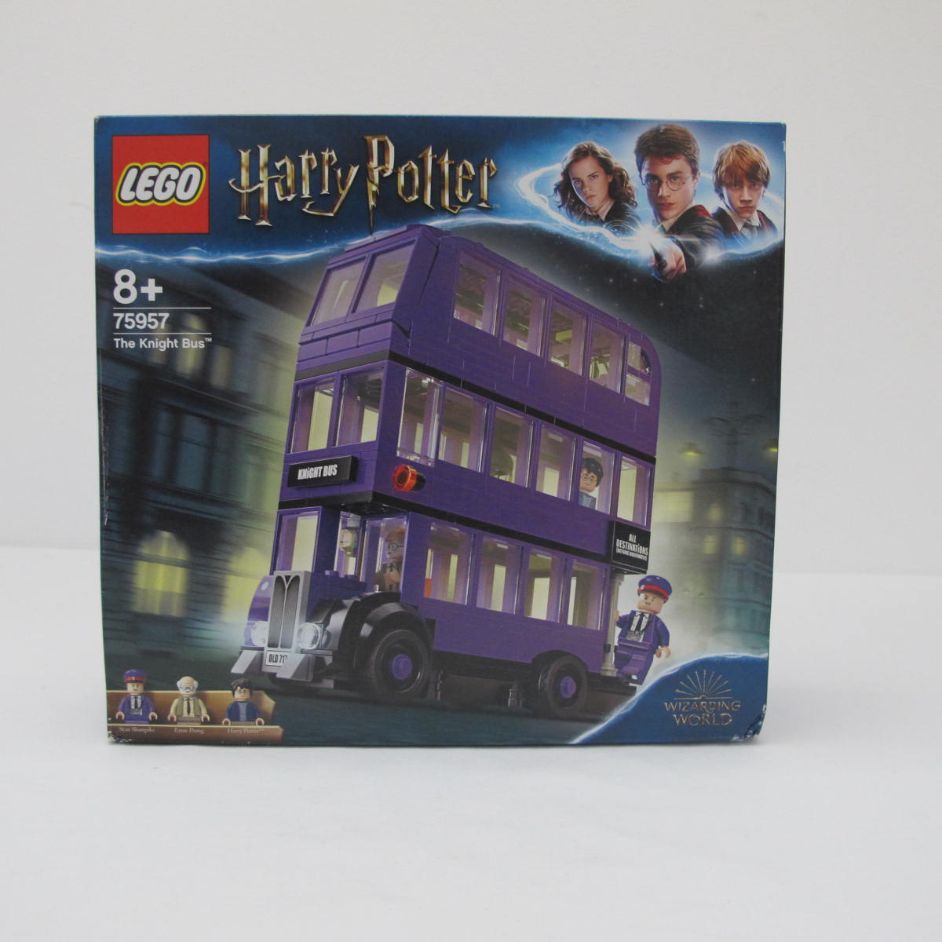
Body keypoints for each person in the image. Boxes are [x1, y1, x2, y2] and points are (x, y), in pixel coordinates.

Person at [634, 124, 723, 280]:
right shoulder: (655, 228)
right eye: (652, 180)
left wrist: (673, 249)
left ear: (695, 178)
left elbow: (703, 240)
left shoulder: (707, 226)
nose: (663, 193)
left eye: (675, 179)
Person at [554, 141, 638, 234]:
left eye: (593, 177)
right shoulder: (582, 218)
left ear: (609, 175)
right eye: (577, 181)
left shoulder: (626, 222)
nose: (585, 188)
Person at [711, 141, 778, 246]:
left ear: (764, 188)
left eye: (754, 185)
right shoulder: (709, 231)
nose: (746, 197)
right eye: (735, 185)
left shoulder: (768, 226)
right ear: (720, 188)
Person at [615, 575, 672, 683]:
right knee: (621, 661)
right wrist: (616, 618)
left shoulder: (657, 622)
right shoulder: (631, 616)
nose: (648, 601)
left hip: (644, 649)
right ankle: (620, 674)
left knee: (638, 664)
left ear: (662, 604)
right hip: (626, 644)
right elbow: (622, 622)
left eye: (653, 600)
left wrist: (664, 646)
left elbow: (663, 633)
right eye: (645, 597)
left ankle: (632, 676)